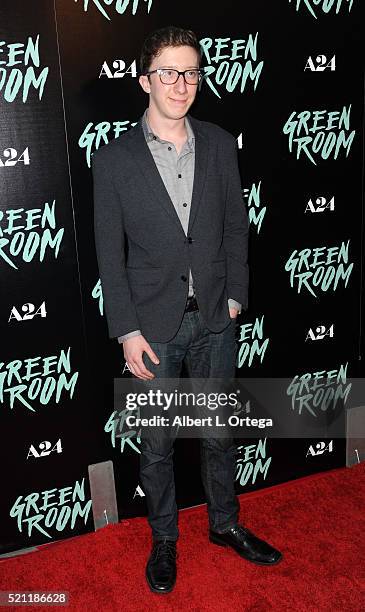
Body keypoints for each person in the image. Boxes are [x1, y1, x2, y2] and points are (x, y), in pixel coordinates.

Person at [92, 25, 282, 594]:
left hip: (216, 319)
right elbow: (109, 251)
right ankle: (165, 539)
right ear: (145, 78)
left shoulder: (221, 143)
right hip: (152, 324)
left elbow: (234, 230)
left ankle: (225, 524)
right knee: (157, 443)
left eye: (192, 72)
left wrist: (235, 295)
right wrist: (125, 329)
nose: (182, 83)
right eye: (170, 72)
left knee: (220, 431)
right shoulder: (114, 158)